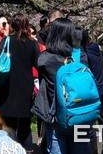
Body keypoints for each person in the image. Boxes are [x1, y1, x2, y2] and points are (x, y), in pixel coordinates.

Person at [34, 18, 89, 154]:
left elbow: (43, 83)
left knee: (56, 149)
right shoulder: (80, 56)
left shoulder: (45, 59)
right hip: (80, 113)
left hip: (56, 115)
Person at [0, 11, 39, 148]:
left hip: (8, 87)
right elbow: (38, 63)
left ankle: (9, 150)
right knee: (25, 127)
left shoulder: (7, 41)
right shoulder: (32, 44)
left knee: (8, 126)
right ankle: (27, 150)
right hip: (25, 87)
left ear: (12, 24)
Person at [81, 29, 103, 154]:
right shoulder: (96, 49)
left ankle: (92, 151)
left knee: (90, 122)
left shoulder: (85, 54)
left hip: (93, 91)